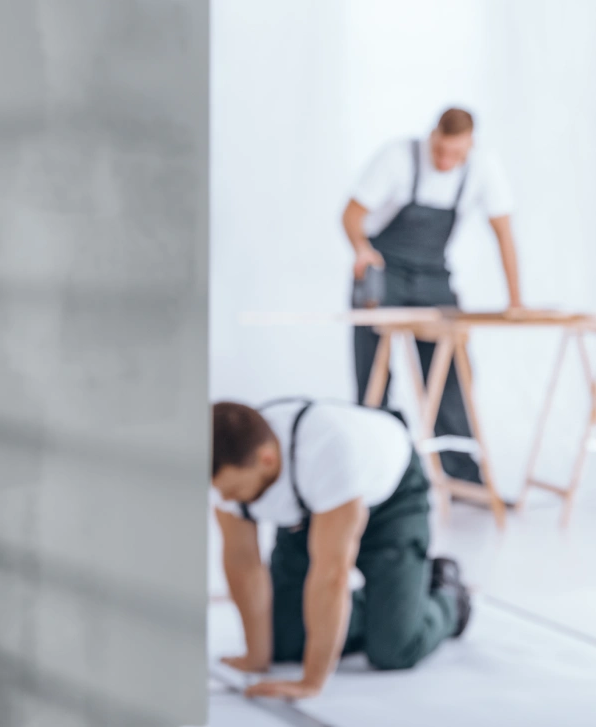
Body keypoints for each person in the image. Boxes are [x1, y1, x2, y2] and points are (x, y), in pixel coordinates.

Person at [211, 398, 471, 700]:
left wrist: (311, 682)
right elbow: (242, 562)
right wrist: (255, 659)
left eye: (234, 490)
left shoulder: (327, 453)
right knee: (283, 639)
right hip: (311, 511)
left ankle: (448, 594)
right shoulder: (226, 471)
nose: (226, 498)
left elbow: (331, 575)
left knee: (394, 647)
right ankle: (382, 607)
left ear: (267, 460)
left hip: (390, 504)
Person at [343, 107, 521, 488]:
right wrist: (361, 248)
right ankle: (375, 478)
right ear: (432, 135)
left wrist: (516, 300)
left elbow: (504, 233)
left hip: (433, 276)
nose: (444, 161)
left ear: (470, 146)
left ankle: (465, 479)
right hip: (383, 270)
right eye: (439, 150)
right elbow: (352, 214)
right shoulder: (398, 158)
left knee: (453, 372)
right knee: (372, 374)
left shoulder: (483, 169)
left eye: (455, 154)